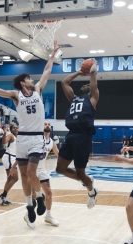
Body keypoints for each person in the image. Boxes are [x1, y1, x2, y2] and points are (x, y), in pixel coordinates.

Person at [0, 41, 60, 228]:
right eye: (30, 79)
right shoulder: (16, 95)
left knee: (31, 172)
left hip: (36, 138)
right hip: (22, 139)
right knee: (23, 176)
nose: (32, 80)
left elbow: (47, 70)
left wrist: (52, 55)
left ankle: (39, 198)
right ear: (23, 82)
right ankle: (29, 205)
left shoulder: (38, 89)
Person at [55, 59, 99, 209]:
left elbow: (93, 74)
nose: (86, 85)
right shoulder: (73, 99)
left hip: (83, 137)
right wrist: (79, 72)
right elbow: (64, 83)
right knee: (59, 169)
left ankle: (92, 192)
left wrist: (93, 66)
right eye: (84, 84)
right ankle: (87, 181)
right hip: (71, 135)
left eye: (88, 85)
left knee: (80, 172)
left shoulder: (93, 99)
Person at [35, 121, 60, 226]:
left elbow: (59, 154)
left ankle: (48, 216)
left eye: (49, 124)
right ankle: (29, 214)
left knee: (49, 193)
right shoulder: (37, 139)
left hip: (41, 170)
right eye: (45, 124)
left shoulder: (51, 142)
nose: (47, 125)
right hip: (32, 169)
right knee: (33, 196)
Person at [0, 125, 18, 206]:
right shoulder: (10, 135)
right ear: (11, 129)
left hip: (10, 158)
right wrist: (5, 133)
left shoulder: (17, 137)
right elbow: (4, 142)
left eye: (17, 127)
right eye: (14, 128)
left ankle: (3, 198)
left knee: (10, 179)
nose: (16, 129)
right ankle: (3, 195)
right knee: (15, 178)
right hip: (9, 157)